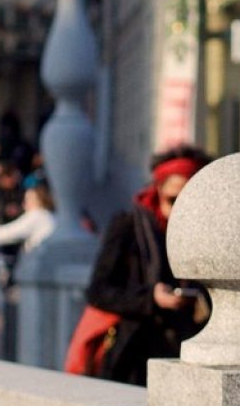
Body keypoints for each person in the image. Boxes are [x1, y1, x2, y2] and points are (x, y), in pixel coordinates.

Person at [82, 150, 212, 385]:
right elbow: (98, 291)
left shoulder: (206, 233)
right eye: (173, 200)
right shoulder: (128, 226)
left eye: (189, 202)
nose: (180, 210)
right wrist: (151, 297)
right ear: (158, 189)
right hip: (134, 354)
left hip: (187, 352)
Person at [0, 179, 56, 253]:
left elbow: (10, 231)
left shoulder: (37, 215)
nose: (23, 204)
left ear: (38, 201)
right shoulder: (51, 216)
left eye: (27, 200)